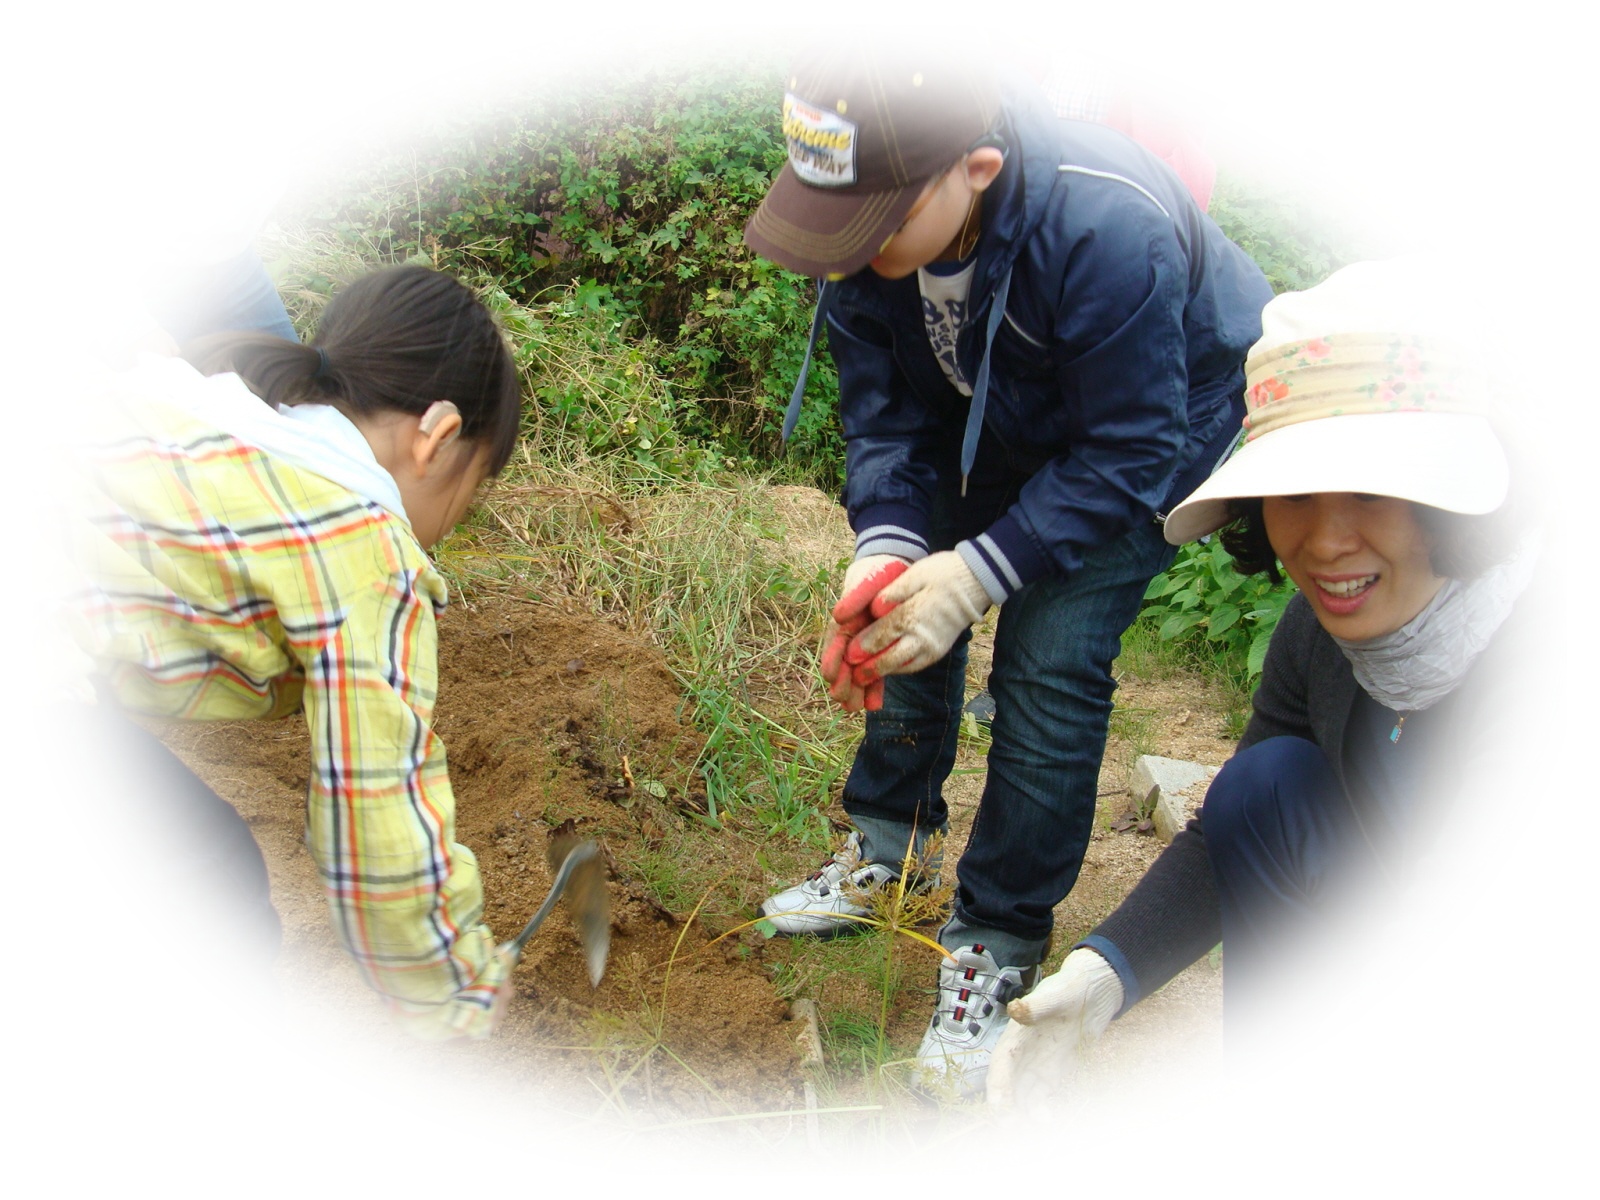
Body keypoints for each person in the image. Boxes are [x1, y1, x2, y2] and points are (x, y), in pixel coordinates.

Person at [741, 46, 1274, 1092]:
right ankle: (888, 849)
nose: (849, 250)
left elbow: (1126, 448)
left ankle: (997, 937)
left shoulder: (1103, 225)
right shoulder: (863, 234)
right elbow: (886, 415)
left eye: (877, 224)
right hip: (985, 411)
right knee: (905, 611)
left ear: (975, 170)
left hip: (1149, 427)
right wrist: (892, 546)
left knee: (1049, 655)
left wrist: (984, 570)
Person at [984, 258, 1541, 1109]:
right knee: (1266, 782)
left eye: (1371, 490)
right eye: (1295, 493)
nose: (1325, 541)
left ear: (1452, 496)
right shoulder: (1319, 639)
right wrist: (1103, 975)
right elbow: (1231, 829)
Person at [62, 264, 524, 1040]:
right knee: (210, 897)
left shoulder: (202, 404)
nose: (450, 523)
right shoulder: (367, 547)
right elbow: (376, 802)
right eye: (469, 491)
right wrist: (453, 983)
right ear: (438, 437)